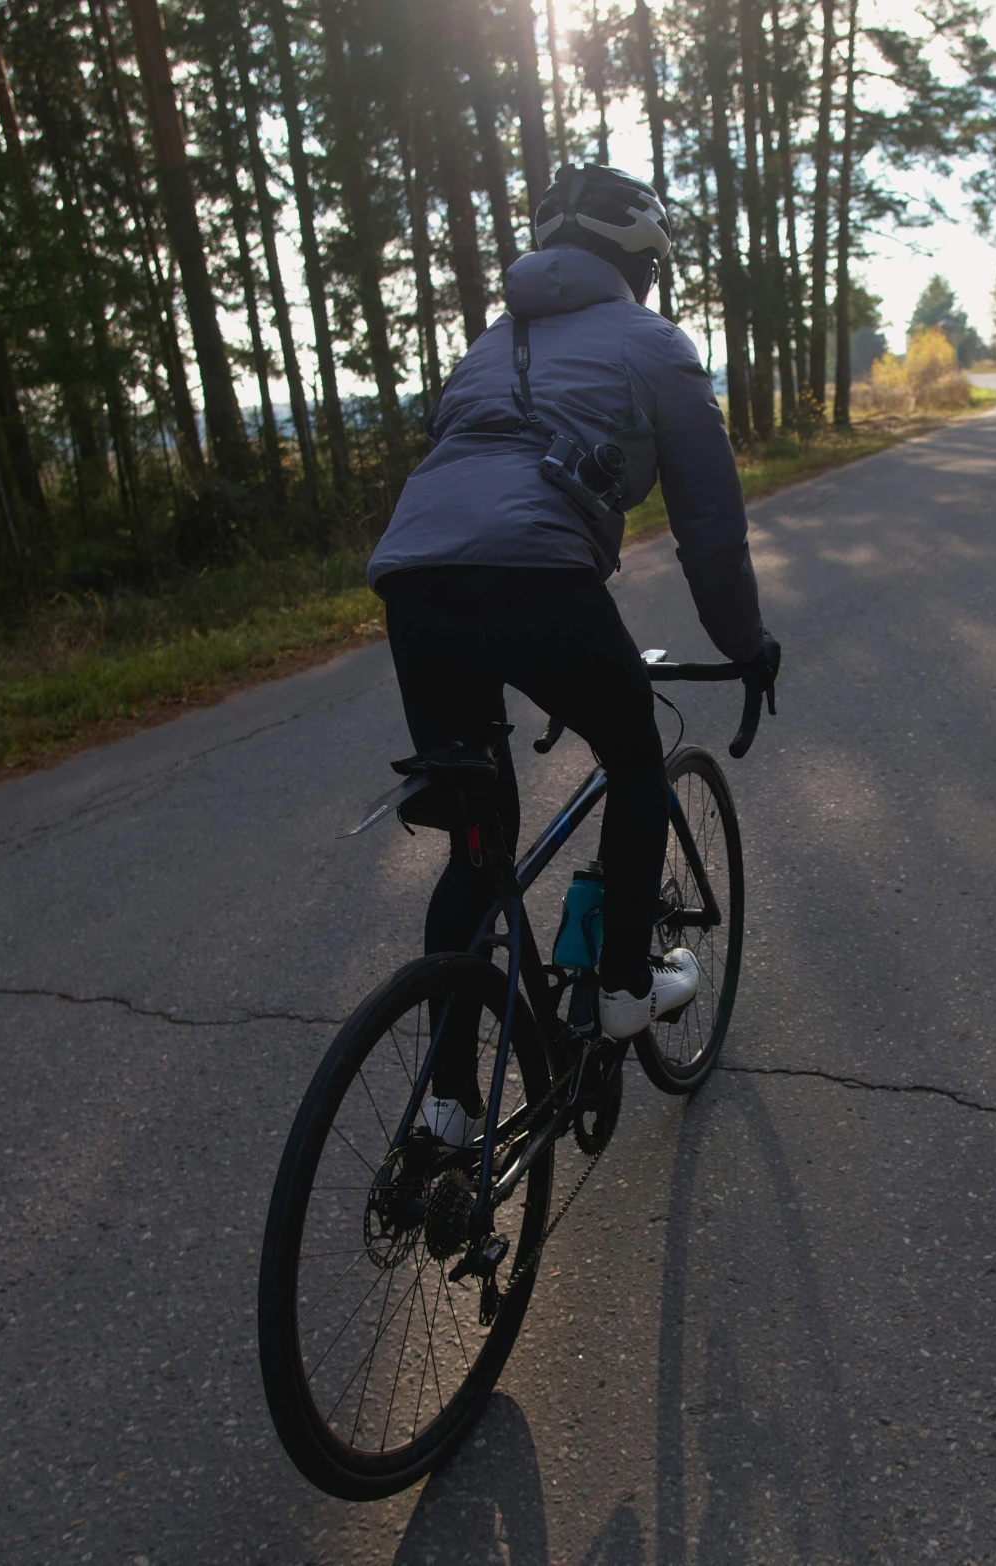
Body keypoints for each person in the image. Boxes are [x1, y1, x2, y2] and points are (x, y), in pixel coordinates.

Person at [367, 166, 778, 1141]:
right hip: (537, 579)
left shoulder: (487, 343)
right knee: (635, 755)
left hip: (414, 583)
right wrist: (745, 644)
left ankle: (447, 1110)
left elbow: (465, 472)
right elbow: (709, 529)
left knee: (479, 839)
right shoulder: (650, 344)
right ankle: (624, 985)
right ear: (641, 263)